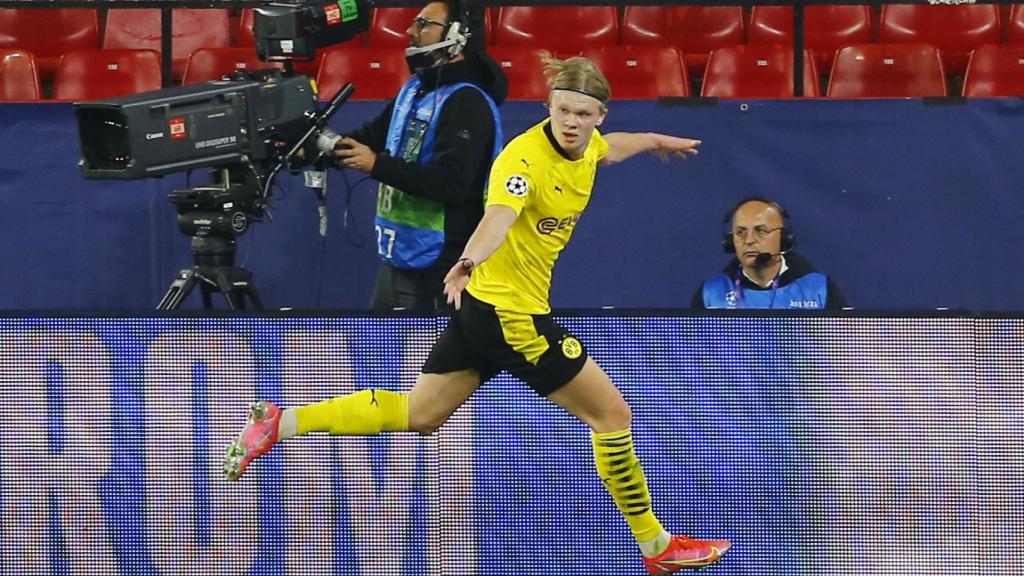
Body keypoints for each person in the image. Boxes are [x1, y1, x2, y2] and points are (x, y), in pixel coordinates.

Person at [225, 55, 730, 574]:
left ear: (600, 114)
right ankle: (656, 546)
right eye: (563, 110)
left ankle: (280, 423)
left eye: (583, 113)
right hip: (513, 315)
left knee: (423, 414)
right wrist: (468, 259)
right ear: (547, 106)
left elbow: (609, 150)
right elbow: (498, 217)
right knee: (612, 416)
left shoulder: (589, 143)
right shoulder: (522, 162)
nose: (572, 122)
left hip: (483, 311)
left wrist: (654, 140)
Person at [334, 0, 506, 309]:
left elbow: (451, 183)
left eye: (424, 24)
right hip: (399, 258)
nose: (410, 30)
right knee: (382, 356)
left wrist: (376, 164)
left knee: (429, 358)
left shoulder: (468, 102)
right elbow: (367, 137)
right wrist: (319, 143)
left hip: (441, 265)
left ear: (458, 34)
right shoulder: (415, 88)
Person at [692, 197, 848, 310]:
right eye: (740, 232)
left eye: (761, 231)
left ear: (783, 238)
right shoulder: (711, 293)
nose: (749, 240)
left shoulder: (819, 288)